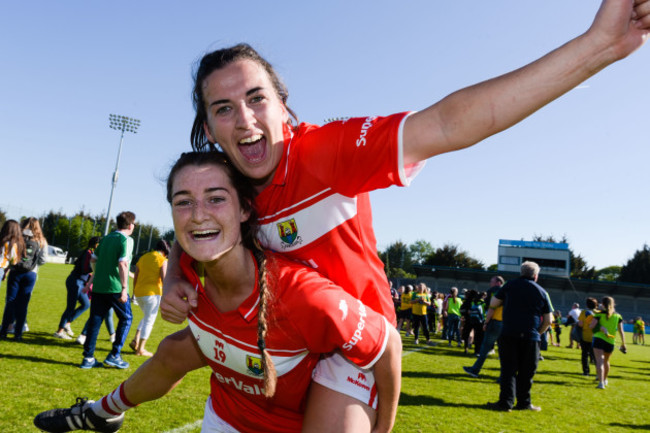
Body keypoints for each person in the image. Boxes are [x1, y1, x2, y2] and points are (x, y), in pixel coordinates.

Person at [163, 3, 650, 427]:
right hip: (282, 342)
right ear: (207, 127)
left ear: (283, 105)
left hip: (352, 345)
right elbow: (188, 232)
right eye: (224, 109)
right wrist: (171, 280)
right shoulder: (218, 187)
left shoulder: (325, 153)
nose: (245, 120)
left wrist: (598, 46)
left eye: (256, 98)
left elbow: (446, 123)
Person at [33, 151, 401, 433]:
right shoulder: (189, 277)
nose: (197, 214)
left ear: (244, 209)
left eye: (216, 198)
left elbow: (387, 347)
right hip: (224, 420)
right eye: (183, 202)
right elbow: (168, 362)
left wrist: (383, 428)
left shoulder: (301, 295)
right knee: (172, 351)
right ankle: (99, 414)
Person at [486, 261, 552, 412]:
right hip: (531, 336)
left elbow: (494, 302)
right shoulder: (542, 292)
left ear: (521, 272)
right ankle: (524, 403)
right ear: (536, 276)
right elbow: (548, 320)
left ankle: (505, 403)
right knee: (527, 372)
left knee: (508, 370)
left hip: (509, 332)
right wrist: (538, 332)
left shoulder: (509, 285)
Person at [80, 211, 135, 370]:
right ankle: (115, 355)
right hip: (115, 287)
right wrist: (124, 288)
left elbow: (93, 260)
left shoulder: (105, 239)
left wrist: (93, 279)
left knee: (95, 322)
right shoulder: (125, 240)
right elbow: (123, 264)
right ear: (131, 225)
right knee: (126, 318)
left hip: (99, 287)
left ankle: (88, 358)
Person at [0, 218, 47, 341]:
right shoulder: (41, 240)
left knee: (10, 301)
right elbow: (43, 260)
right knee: (23, 304)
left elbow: (12, 255)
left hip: (16, 272)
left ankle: (4, 331)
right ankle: (18, 334)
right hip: (31, 273)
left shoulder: (18, 237)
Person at [129, 239, 170, 356]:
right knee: (149, 320)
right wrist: (167, 294)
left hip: (139, 293)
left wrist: (134, 293)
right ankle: (140, 349)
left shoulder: (144, 257)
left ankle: (135, 340)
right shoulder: (162, 260)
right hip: (153, 293)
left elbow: (136, 275)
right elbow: (164, 278)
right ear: (165, 251)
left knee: (146, 317)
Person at [54, 237, 100, 340]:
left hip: (80, 282)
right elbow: (84, 269)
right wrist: (95, 266)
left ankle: (67, 323)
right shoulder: (88, 253)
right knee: (70, 307)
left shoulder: (91, 253)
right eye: (99, 244)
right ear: (96, 244)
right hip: (75, 281)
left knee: (86, 304)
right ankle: (59, 331)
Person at [464, 276, 504, 378]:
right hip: (505, 323)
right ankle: (504, 375)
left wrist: (486, 322)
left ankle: (475, 369)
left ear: (498, 282)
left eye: (492, 281)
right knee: (503, 350)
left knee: (485, 347)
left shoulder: (494, 291)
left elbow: (492, 307)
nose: (490, 283)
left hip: (495, 321)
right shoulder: (509, 291)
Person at [590, 296, 626, 389]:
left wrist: (600, 328)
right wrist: (623, 343)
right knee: (606, 361)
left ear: (602, 304)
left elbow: (591, 326)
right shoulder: (618, 316)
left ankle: (601, 383)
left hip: (599, 339)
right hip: (610, 341)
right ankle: (605, 380)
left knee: (599, 361)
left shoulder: (599, 314)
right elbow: (621, 331)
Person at [460, 289, 484, 355]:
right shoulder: (480, 302)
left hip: (468, 320)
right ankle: (477, 351)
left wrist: (466, 313)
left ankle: (466, 348)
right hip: (478, 321)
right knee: (478, 336)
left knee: (466, 334)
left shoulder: (467, 301)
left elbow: (461, 310)